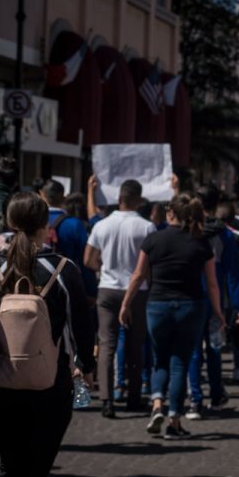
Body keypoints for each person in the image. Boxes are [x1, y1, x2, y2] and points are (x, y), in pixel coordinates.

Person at [0, 191, 96, 477]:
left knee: (8, 463)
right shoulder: (62, 268)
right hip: (51, 381)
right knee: (36, 471)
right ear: (45, 226)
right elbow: (82, 327)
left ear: (9, 222)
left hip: (0, 381)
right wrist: (85, 366)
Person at [120, 193, 225, 440]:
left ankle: (157, 404)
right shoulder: (201, 243)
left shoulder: (154, 239)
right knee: (180, 362)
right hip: (191, 307)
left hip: (157, 306)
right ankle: (174, 420)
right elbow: (212, 284)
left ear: (170, 214)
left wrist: (126, 304)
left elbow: (137, 275)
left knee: (160, 359)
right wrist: (218, 312)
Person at [85, 179, 156, 417]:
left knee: (107, 345)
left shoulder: (102, 225)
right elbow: (150, 264)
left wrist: (103, 267)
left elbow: (88, 259)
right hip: (136, 291)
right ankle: (134, 396)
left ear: (119, 198)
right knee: (136, 345)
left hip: (107, 288)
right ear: (138, 199)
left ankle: (107, 399)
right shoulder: (146, 227)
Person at [186, 185, 239, 420]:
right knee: (214, 349)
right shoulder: (225, 235)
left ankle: (195, 399)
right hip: (216, 303)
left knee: (193, 351)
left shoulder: (190, 231)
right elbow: (234, 274)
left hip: (192, 299)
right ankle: (215, 394)